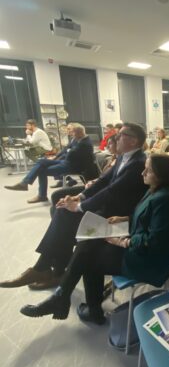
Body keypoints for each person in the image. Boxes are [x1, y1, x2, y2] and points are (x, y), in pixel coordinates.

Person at [18, 155, 169, 325]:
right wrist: (124, 219)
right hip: (138, 245)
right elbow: (147, 219)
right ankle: (68, 299)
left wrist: (122, 242)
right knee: (88, 243)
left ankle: (72, 302)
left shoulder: (165, 200)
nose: (142, 172)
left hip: (146, 259)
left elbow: (155, 242)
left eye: (148, 170)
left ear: (161, 174)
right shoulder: (155, 190)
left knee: (88, 258)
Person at [0, 123, 148, 290]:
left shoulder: (138, 163)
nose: (116, 137)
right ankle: (49, 269)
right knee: (63, 215)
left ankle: (47, 269)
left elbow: (111, 191)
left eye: (121, 135)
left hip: (119, 217)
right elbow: (104, 181)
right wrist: (80, 196)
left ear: (134, 141)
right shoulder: (124, 156)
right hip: (109, 207)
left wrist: (79, 206)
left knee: (65, 217)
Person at [5, 124, 94, 204]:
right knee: (41, 161)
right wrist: (55, 158)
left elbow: (70, 155)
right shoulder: (77, 139)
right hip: (68, 161)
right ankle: (24, 183)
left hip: (73, 166)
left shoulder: (85, 143)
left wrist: (68, 151)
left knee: (41, 171)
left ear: (78, 133)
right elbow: (66, 150)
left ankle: (41, 195)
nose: (70, 134)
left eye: (72, 132)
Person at [49, 134, 118, 217]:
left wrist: (79, 204)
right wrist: (94, 181)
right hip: (96, 186)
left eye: (110, 144)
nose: (107, 146)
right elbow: (103, 178)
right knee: (56, 195)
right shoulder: (112, 158)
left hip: (101, 190)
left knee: (62, 208)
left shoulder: (122, 162)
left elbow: (110, 184)